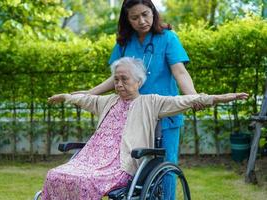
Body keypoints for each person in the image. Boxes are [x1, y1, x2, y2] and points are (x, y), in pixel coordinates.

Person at [42, 57, 248, 200]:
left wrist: (219, 98)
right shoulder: (107, 102)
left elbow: (184, 101)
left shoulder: (151, 102)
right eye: (116, 80)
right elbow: (85, 99)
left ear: (139, 82)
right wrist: (67, 97)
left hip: (120, 165)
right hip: (92, 160)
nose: (119, 84)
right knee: (55, 174)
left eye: (125, 79)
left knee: (87, 181)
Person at [74, 1, 202, 199]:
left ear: (153, 11)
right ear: (127, 19)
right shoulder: (124, 43)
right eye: (134, 17)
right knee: (131, 165)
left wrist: (193, 97)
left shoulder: (168, 38)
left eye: (145, 14)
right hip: (133, 116)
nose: (142, 21)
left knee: (165, 165)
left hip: (164, 115)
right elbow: (114, 77)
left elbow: (180, 72)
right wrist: (90, 93)